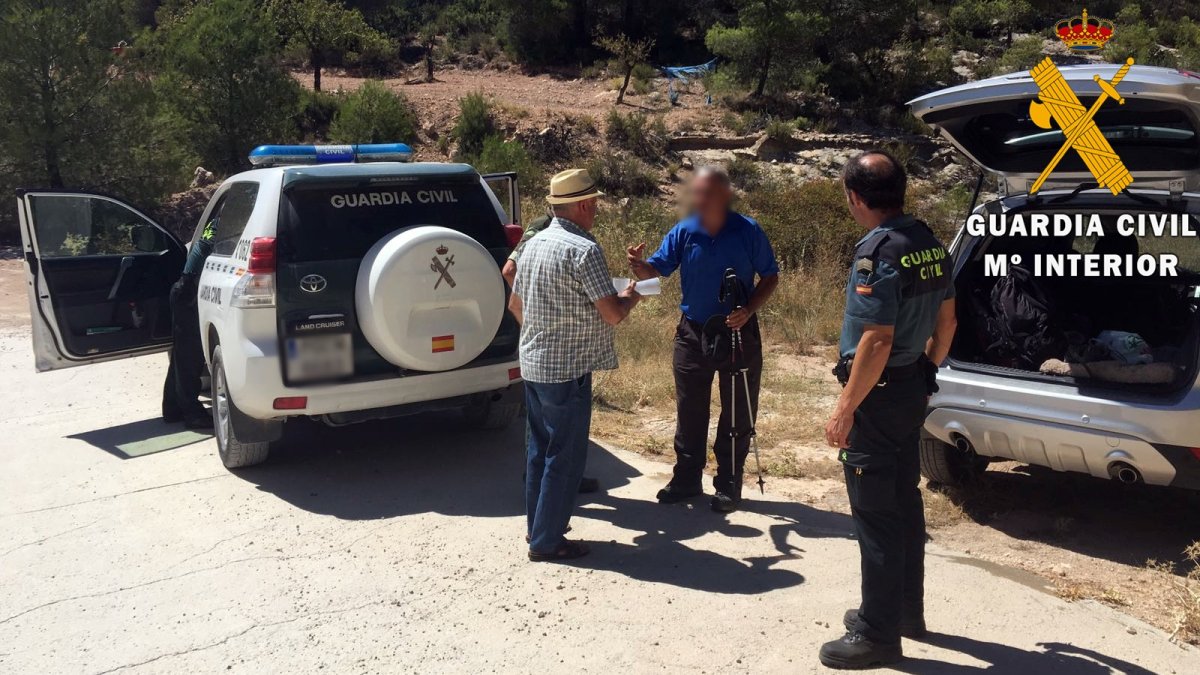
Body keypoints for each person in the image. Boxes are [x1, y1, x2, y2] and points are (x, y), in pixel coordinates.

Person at [818, 151, 957, 669]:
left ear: (856, 198)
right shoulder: (929, 242)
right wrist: (924, 372)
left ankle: (877, 635)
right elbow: (948, 323)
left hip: (877, 396)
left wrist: (844, 408)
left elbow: (875, 340)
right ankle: (903, 612)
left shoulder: (876, 254)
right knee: (903, 499)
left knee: (875, 513)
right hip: (910, 390)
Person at [627, 166, 779, 513]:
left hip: (737, 332)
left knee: (738, 411)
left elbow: (771, 277)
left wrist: (750, 309)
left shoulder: (747, 230)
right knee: (690, 409)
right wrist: (638, 265)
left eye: (706, 193)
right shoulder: (685, 230)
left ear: (724, 195)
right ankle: (686, 479)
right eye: (695, 193)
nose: (698, 199)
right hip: (693, 332)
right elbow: (657, 270)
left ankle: (728, 482)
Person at [508, 169, 641, 562]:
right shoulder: (584, 249)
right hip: (566, 371)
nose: (597, 210)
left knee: (539, 450)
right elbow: (613, 314)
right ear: (583, 205)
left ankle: (540, 526)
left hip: (533, 363)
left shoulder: (533, 244)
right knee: (564, 456)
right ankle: (547, 541)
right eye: (595, 204)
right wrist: (633, 296)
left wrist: (540, 335)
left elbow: (515, 305)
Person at [503, 211, 599, 496]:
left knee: (561, 426)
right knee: (547, 431)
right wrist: (537, 316)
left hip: (562, 348)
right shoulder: (542, 228)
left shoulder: (566, 231)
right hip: (553, 349)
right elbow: (510, 270)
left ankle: (565, 480)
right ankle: (548, 489)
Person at [162, 220, 216, 429]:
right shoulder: (225, 223)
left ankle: (173, 408)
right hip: (189, 291)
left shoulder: (216, 222)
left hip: (186, 288)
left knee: (182, 355)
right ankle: (191, 411)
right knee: (189, 356)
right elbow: (203, 249)